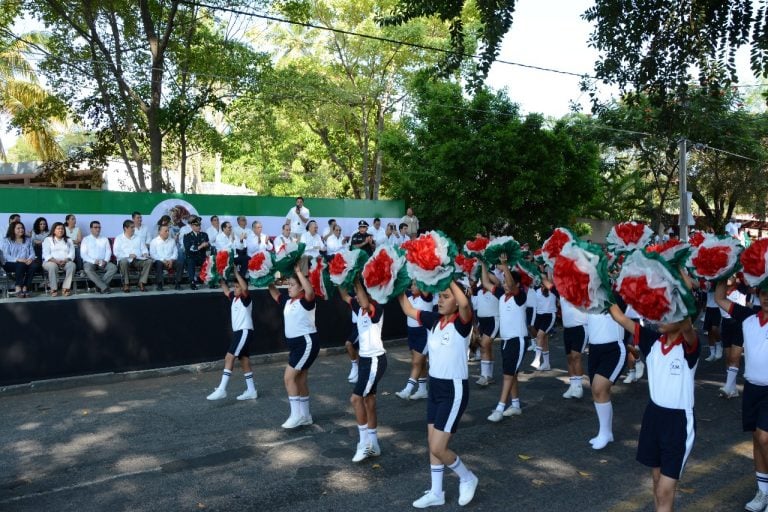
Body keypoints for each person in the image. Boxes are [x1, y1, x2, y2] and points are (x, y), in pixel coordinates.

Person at [608, 298, 698, 512]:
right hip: (653, 416)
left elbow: (687, 325)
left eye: (667, 314)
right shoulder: (651, 340)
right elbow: (619, 317)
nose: (660, 318)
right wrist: (600, 281)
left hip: (678, 422)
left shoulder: (689, 346)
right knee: (657, 481)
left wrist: (676, 282)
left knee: (665, 490)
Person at [398, 281, 479, 508]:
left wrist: (448, 275)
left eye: (446, 296)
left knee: (438, 448)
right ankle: (436, 492)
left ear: (456, 299)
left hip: (454, 391)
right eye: (439, 296)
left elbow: (464, 302)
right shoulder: (434, 320)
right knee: (431, 442)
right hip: (435, 387)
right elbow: (407, 309)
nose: (440, 300)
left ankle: (467, 477)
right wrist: (394, 286)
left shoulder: (463, 323)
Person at [714, 280, 768, 512]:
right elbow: (719, 299)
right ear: (758, 293)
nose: (767, 298)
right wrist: (719, 273)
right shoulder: (748, 315)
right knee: (757, 439)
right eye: (764, 293)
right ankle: (763, 491)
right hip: (752, 388)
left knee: (765, 438)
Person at [339, 278, 388, 462]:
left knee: (356, 398)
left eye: (359, 294)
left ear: (369, 294)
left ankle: (364, 443)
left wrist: (357, 278)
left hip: (376, 360)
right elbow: (344, 295)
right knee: (369, 401)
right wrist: (340, 275)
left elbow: (365, 301)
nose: (357, 298)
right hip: (365, 361)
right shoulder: (358, 307)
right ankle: (374, 444)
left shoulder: (376, 308)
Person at [268, 264, 320, 429]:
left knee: (289, 378)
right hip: (297, 346)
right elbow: (275, 293)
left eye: (292, 285)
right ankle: (305, 416)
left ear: (301, 288)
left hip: (306, 344)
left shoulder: (306, 301)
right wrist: (266, 278)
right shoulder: (288, 301)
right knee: (301, 379)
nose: (288, 287)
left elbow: (310, 291)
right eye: (288, 284)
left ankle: (296, 415)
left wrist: (298, 272)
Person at [486, 255, 528, 422]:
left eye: (506, 281)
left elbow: (510, 284)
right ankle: (515, 405)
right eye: (503, 282)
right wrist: (483, 263)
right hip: (505, 341)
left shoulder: (520, 297)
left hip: (517, 340)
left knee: (508, 375)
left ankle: (500, 408)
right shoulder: (502, 296)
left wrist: (504, 265)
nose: (504, 284)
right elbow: (486, 283)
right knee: (512, 374)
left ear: (517, 285)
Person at [206, 268, 258, 401]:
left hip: (244, 332)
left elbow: (245, 288)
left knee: (229, 357)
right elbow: (225, 290)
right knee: (244, 360)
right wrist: (219, 277)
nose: (235, 289)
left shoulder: (246, 298)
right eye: (234, 286)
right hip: (239, 333)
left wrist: (235, 273)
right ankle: (251, 390)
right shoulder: (234, 298)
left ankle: (222, 389)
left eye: (237, 287)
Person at [585, 308, 626, 450]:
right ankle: (606, 432)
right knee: (598, 392)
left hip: (613, 349)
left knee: (599, 387)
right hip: (594, 349)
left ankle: (604, 433)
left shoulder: (614, 295)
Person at [395, 281, 433, 400]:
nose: (412, 287)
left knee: (416, 363)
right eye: (411, 284)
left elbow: (426, 282)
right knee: (419, 363)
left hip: (424, 333)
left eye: (415, 284)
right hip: (412, 333)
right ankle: (422, 391)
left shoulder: (426, 297)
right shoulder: (409, 296)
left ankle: (407, 390)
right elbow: (397, 289)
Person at [475, 261, 502, 386]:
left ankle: (484, 375)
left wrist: (484, 265)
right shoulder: (479, 291)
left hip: (493, 320)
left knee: (484, 345)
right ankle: (489, 375)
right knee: (486, 347)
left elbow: (495, 281)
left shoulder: (497, 290)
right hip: (482, 321)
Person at [113, 219, 152, 292]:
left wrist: (145, 253)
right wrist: (128, 255)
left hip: (137, 260)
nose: (134, 229)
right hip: (125, 261)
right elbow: (116, 253)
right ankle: (126, 284)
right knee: (124, 261)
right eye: (132, 227)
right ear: (125, 228)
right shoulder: (119, 238)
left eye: (134, 227)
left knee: (149, 261)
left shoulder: (138, 237)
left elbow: (144, 249)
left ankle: (141, 282)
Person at [560, 295, 588, 399]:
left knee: (576, 356)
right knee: (569, 358)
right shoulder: (561, 291)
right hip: (567, 329)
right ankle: (573, 386)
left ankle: (579, 387)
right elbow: (549, 285)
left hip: (580, 327)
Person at [1, 221, 38, 297]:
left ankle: (25, 287)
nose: (21, 230)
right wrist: (18, 259)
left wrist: (30, 259)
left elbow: (32, 253)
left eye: (22, 228)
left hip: (26, 262)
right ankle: (18, 287)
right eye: (18, 228)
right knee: (20, 264)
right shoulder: (7, 240)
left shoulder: (28, 240)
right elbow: (5, 255)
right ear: (12, 230)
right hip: (10, 263)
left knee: (34, 266)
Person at [80, 220, 117, 294]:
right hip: (90, 262)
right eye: (95, 227)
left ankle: (99, 286)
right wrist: (94, 261)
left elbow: (108, 251)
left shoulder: (104, 239)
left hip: (102, 261)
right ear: (91, 229)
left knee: (113, 268)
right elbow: (83, 254)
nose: (98, 229)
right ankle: (104, 287)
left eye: (99, 227)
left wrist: (106, 261)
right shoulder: (86, 239)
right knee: (87, 269)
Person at [42, 222, 76, 297]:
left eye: (62, 229)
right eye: (58, 229)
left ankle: (66, 287)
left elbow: (72, 253)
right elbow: (46, 254)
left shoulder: (69, 240)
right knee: (52, 266)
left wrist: (66, 260)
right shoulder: (48, 239)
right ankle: (53, 288)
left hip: (65, 262)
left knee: (72, 265)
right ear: (54, 230)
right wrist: (56, 261)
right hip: (50, 261)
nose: (60, 230)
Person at [530, 275, 557, 371]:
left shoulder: (553, 292)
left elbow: (551, 277)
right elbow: (533, 307)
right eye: (542, 284)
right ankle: (546, 364)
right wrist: (532, 323)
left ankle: (537, 360)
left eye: (545, 284)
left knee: (540, 336)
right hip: (539, 317)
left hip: (549, 316)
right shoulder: (536, 292)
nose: (543, 286)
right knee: (544, 339)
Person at [149, 224, 182, 291]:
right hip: (159, 261)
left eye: (168, 231)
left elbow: (175, 252)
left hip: (170, 261)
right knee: (158, 263)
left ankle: (178, 283)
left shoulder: (172, 241)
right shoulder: (154, 241)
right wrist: (162, 260)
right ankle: (160, 284)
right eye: (165, 231)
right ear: (159, 232)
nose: (168, 232)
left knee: (180, 263)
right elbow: (153, 254)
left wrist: (171, 260)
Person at [183, 217, 209, 290]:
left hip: (202, 256)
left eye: (199, 225)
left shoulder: (204, 235)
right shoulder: (187, 236)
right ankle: (192, 282)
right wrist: (201, 246)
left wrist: (207, 245)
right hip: (192, 257)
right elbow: (189, 249)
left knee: (210, 260)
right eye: (196, 225)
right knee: (190, 262)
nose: (199, 227)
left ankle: (209, 281)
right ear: (192, 226)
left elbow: (208, 246)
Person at [703, 284, 723, 361]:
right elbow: (704, 291)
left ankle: (718, 344)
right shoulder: (706, 279)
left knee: (714, 328)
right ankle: (712, 353)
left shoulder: (718, 280)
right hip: (709, 307)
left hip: (717, 307)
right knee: (709, 331)